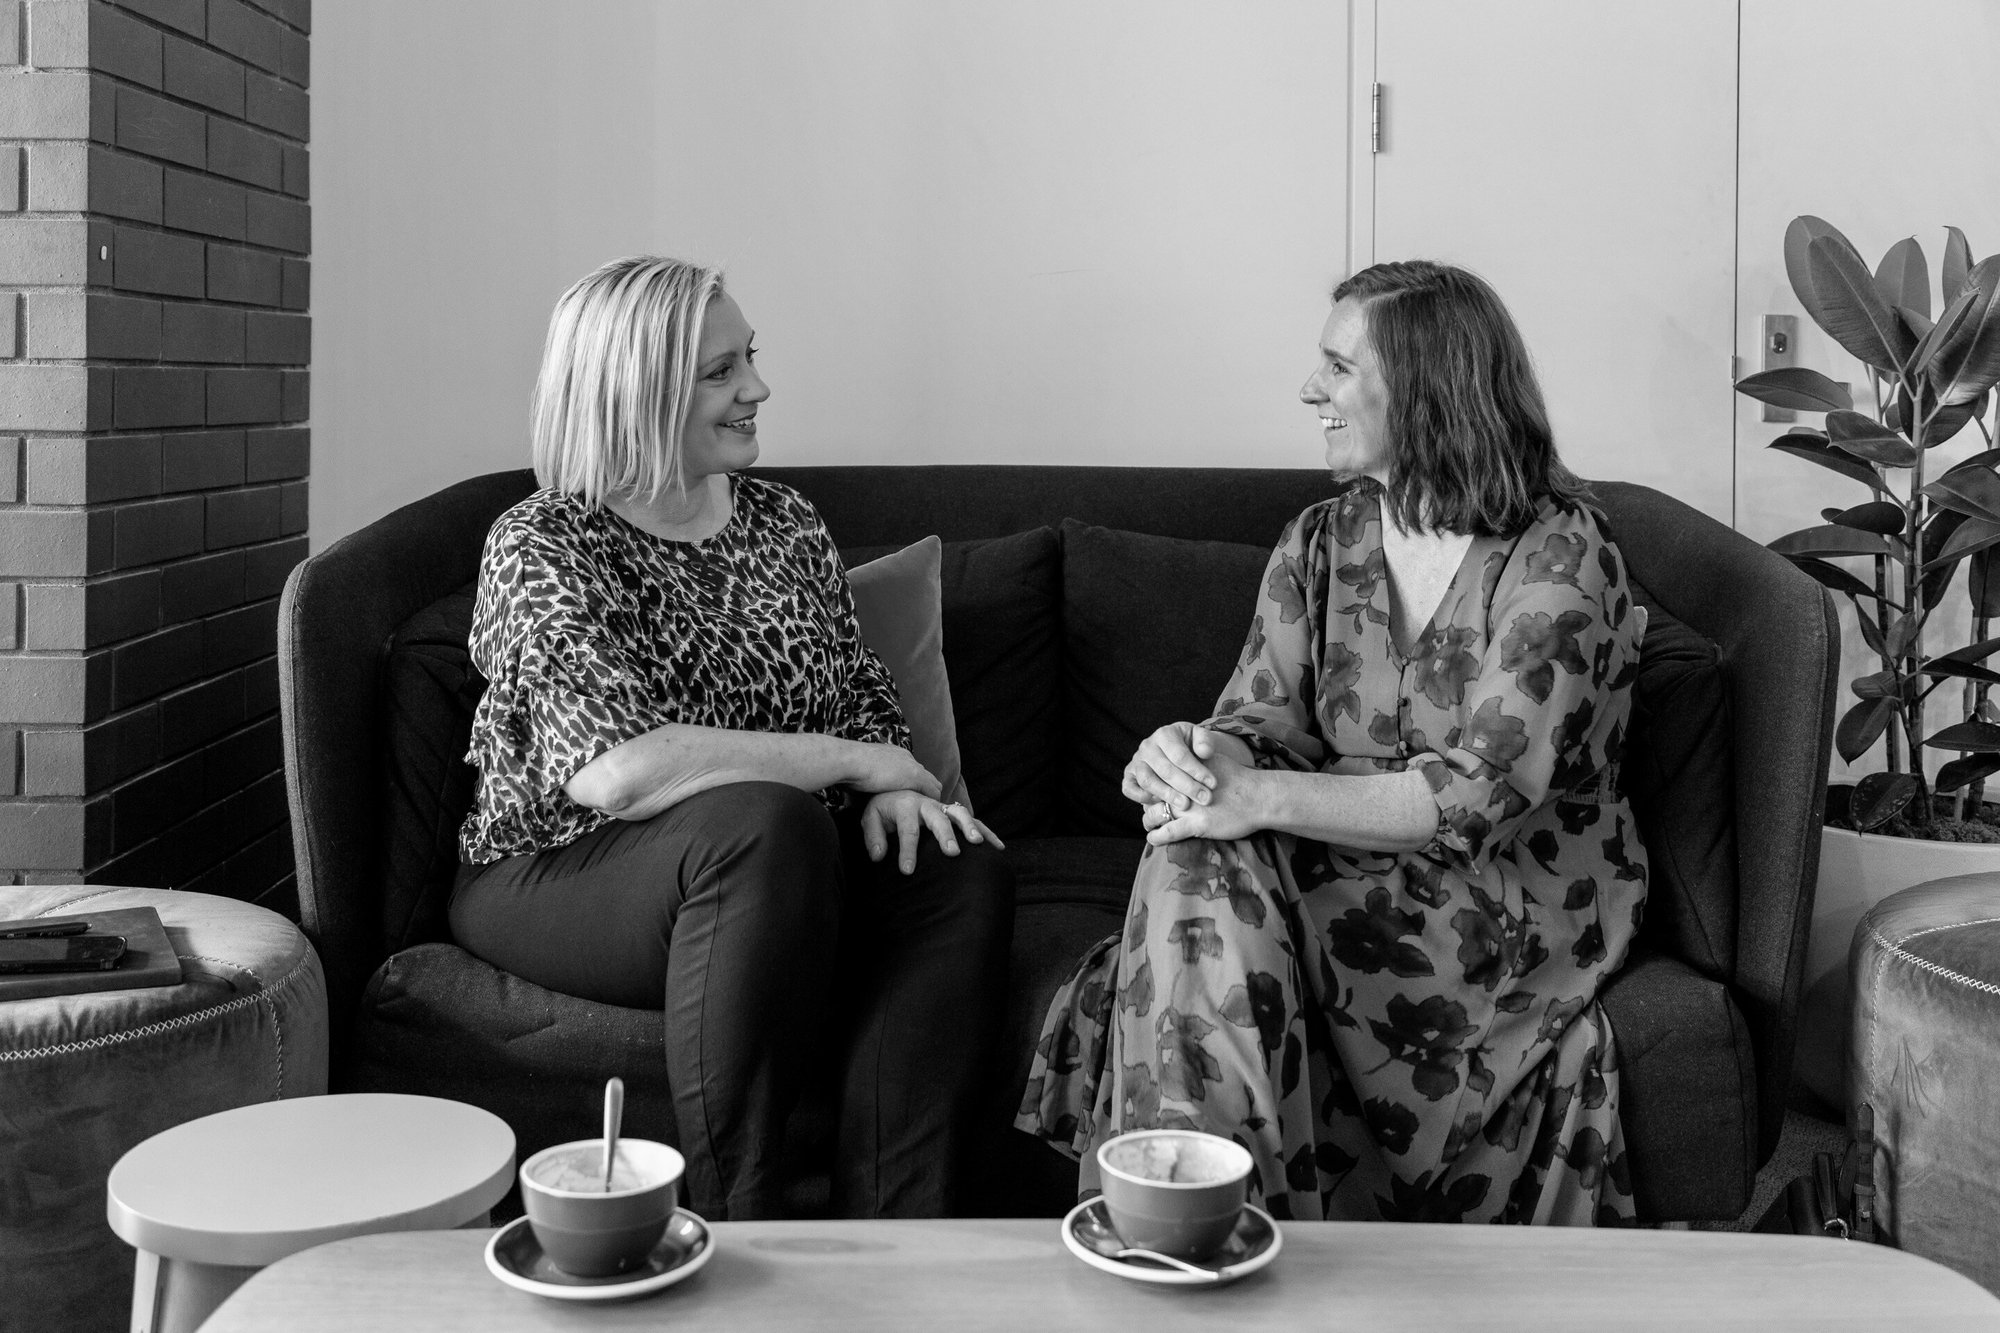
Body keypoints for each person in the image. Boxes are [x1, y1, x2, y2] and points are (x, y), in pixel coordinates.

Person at [1017, 260, 1648, 1226]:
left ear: (1429, 385)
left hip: (1499, 904)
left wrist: (1253, 798)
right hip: (1336, 870)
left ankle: (1186, 1231)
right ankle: (1205, 1235)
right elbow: (1257, 722)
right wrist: (1186, 758)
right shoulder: (1321, 539)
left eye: (1337, 367)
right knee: (1192, 857)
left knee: (1204, 875)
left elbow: (1477, 793)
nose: (1310, 389)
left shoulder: (1563, 554)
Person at [451, 255, 1014, 1221]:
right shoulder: (542, 540)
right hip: (560, 869)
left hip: (774, 864)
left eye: (747, 357)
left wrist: (892, 784)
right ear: (636, 390)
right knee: (766, 822)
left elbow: (858, 690)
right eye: (720, 371)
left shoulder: (784, 521)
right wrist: (846, 762)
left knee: (957, 861)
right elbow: (617, 771)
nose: (758, 387)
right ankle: (740, 1233)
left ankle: (894, 1241)